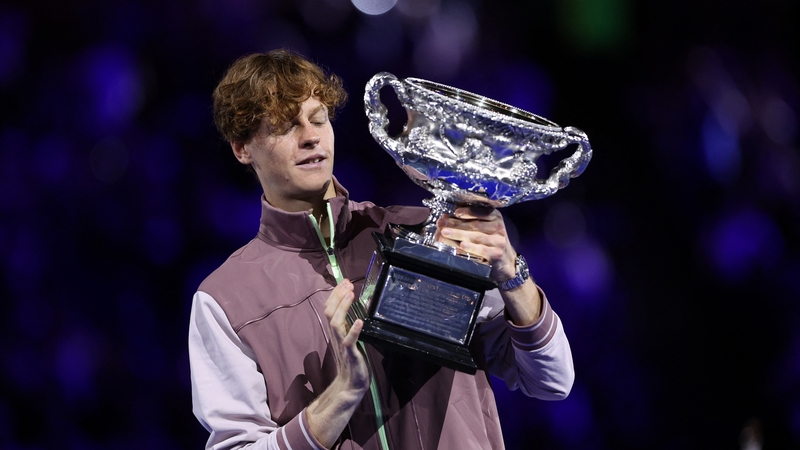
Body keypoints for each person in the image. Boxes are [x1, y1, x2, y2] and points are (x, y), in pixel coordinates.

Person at [188, 48, 574, 450]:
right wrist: (343, 392)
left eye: (318, 119)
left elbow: (552, 381)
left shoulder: (429, 234)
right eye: (286, 126)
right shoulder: (225, 299)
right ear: (243, 148)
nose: (311, 137)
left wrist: (513, 277)